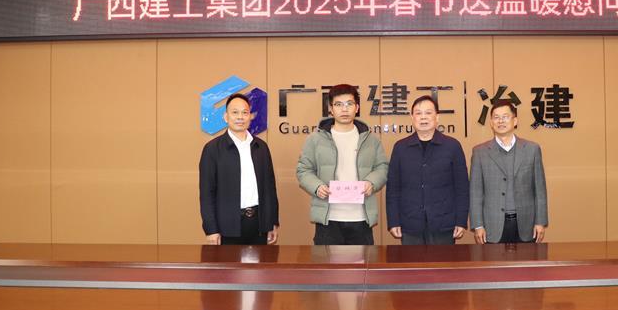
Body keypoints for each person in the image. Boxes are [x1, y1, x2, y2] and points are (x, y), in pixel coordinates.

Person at [296, 84, 388, 245]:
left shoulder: (371, 140)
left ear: (357, 107)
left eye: (349, 104)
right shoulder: (315, 139)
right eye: (338, 104)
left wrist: (371, 182)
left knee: (363, 262)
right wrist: (317, 187)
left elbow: (382, 167)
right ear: (331, 109)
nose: (344, 109)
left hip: (361, 217)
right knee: (326, 262)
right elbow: (303, 170)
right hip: (328, 218)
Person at [386, 95, 469, 244]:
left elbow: (462, 188)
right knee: (412, 260)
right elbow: (393, 189)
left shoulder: (452, 146)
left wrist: (461, 221)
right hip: (410, 223)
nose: (423, 117)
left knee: (442, 260)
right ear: (412, 118)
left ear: (437, 117)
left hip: (444, 223)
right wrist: (393, 221)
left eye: (428, 113)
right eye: (418, 113)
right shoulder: (400, 148)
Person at [199, 93, 279, 245]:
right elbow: (207, 193)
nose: (240, 117)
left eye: (245, 112)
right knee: (228, 262)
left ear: (250, 116)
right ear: (226, 117)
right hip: (226, 229)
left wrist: (272, 222)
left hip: (259, 226)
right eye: (235, 112)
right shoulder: (212, 149)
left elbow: (270, 188)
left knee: (261, 262)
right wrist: (211, 229)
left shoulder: (261, 147)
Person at [469, 99, 548, 244]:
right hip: (492, 224)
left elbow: (540, 190)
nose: (500, 121)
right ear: (491, 122)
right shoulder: (480, 152)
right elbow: (475, 192)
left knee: (527, 259)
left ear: (515, 121)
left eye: (505, 117)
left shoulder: (532, 149)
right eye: (496, 117)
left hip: (526, 223)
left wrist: (540, 221)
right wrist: (478, 225)